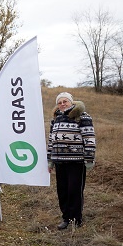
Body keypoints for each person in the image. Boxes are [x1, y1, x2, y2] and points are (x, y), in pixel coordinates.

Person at [48, 92, 96, 229]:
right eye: (60, 102)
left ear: (71, 102)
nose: (62, 104)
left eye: (65, 101)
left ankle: (76, 220)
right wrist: (50, 160)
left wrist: (89, 158)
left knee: (74, 191)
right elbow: (51, 141)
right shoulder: (55, 119)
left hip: (76, 162)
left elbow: (89, 139)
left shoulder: (82, 117)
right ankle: (66, 218)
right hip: (59, 161)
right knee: (62, 191)